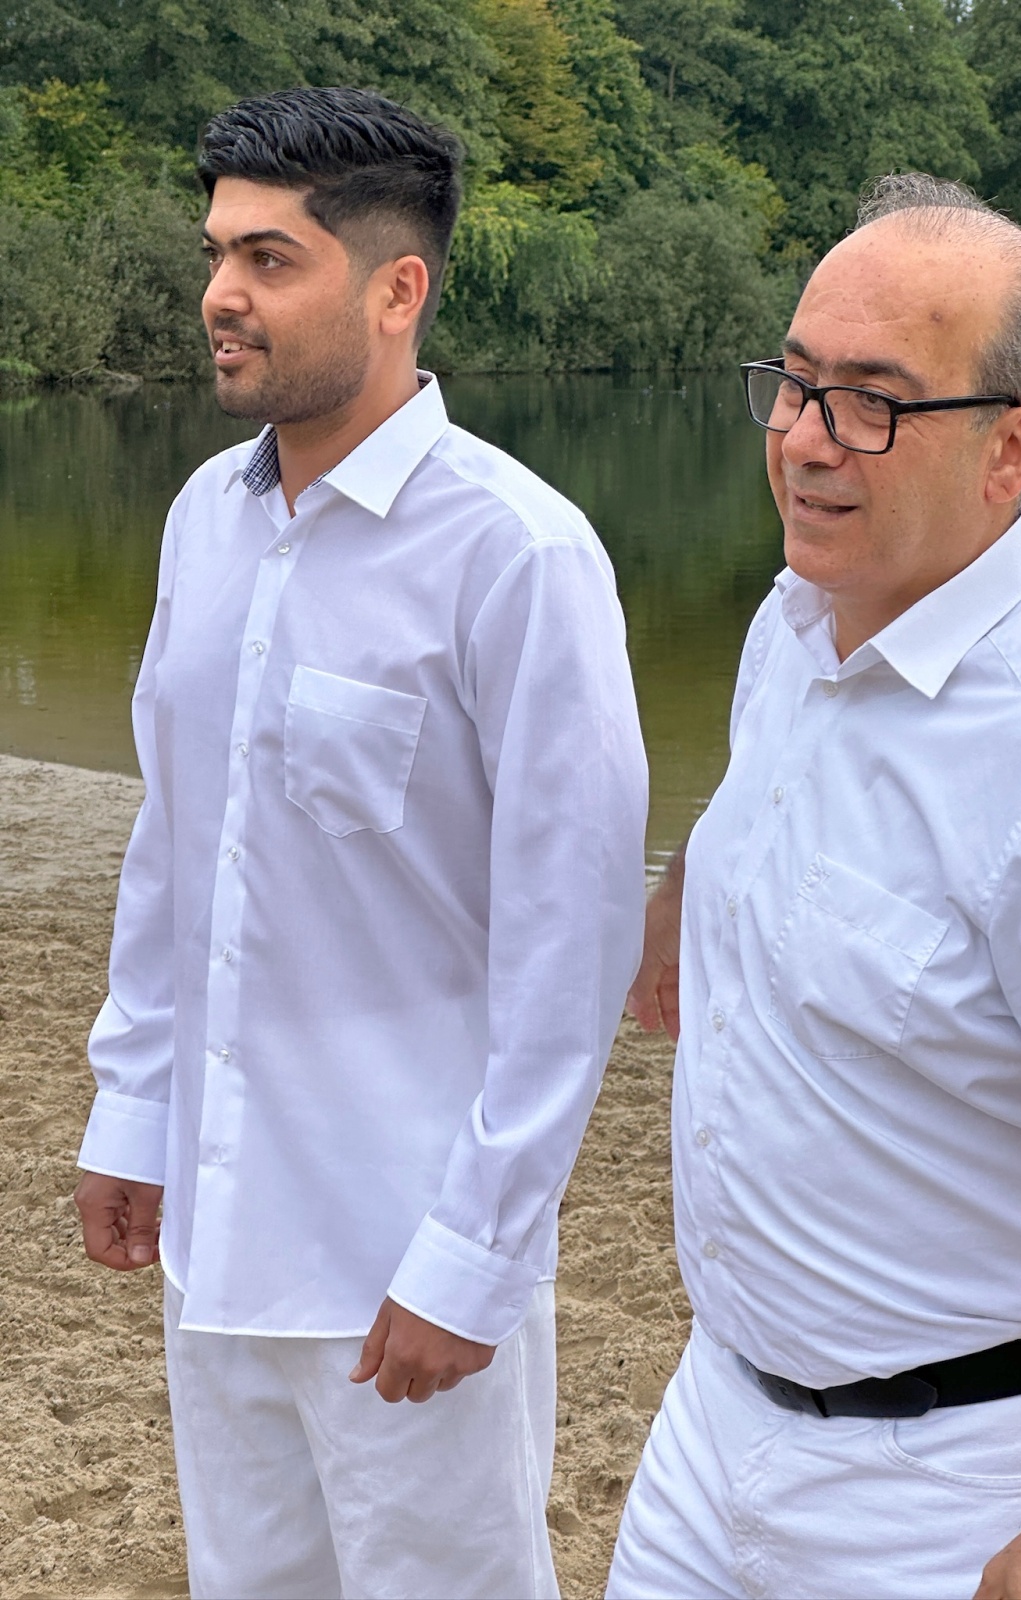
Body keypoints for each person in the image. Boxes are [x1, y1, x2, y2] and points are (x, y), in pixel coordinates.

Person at [73, 86, 648, 1600]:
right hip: (215, 1225)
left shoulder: (518, 555)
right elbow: (175, 843)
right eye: (217, 253)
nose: (221, 293)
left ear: (398, 291)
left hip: (404, 1249)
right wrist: (133, 1112)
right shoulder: (204, 519)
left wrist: (479, 1253)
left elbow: (572, 940)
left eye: (269, 259)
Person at [610, 171, 1021, 1600]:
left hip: (960, 1483)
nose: (806, 440)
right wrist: (694, 884)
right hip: (714, 1418)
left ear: (1013, 448)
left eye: (872, 402)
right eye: (794, 382)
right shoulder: (801, 610)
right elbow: (785, 792)